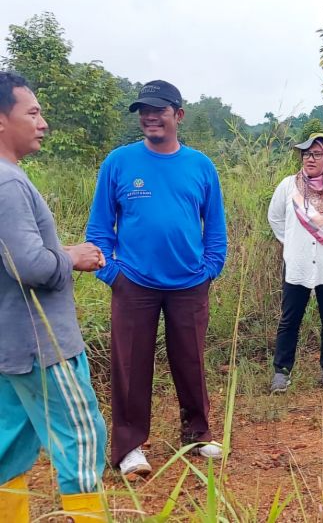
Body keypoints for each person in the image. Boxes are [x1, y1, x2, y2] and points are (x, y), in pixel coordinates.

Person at [86, 80, 228, 479]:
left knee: (191, 360)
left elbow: (215, 227)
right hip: (134, 282)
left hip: (189, 282)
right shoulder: (119, 162)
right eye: (144, 111)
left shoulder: (200, 166)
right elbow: (99, 228)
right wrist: (113, 274)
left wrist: (210, 269)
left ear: (178, 115)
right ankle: (130, 447)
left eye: (159, 110)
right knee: (130, 364)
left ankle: (196, 435)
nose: (150, 117)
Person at [0, 71, 107, 522]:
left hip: (11, 346)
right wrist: (73, 256)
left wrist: (59, 252)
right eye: (33, 112)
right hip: (41, 346)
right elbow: (30, 266)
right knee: (81, 440)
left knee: (9, 445)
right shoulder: (8, 184)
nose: (42, 123)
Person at [267, 133, 323, 392]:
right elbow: (275, 218)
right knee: (289, 319)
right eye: (306, 154)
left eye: (317, 154)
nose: (309, 159)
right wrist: (294, 242)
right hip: (297, 263)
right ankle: (281, 372)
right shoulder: (288, 186)